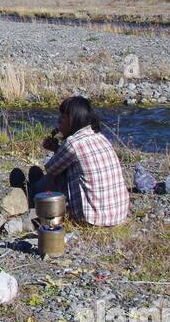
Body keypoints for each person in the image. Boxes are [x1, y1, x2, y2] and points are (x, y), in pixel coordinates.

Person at [10, 96, 129, 227]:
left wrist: (55, 149)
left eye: (63, 117)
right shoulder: (100, 137)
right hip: (119, 214)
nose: (59, 121)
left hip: (91, 219)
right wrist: (57, 149)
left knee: (51, 176)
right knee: (58, 172)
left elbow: (51, 169)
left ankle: (28, 194)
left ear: (73, 120)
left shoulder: (73, 143)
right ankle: (34, 188)